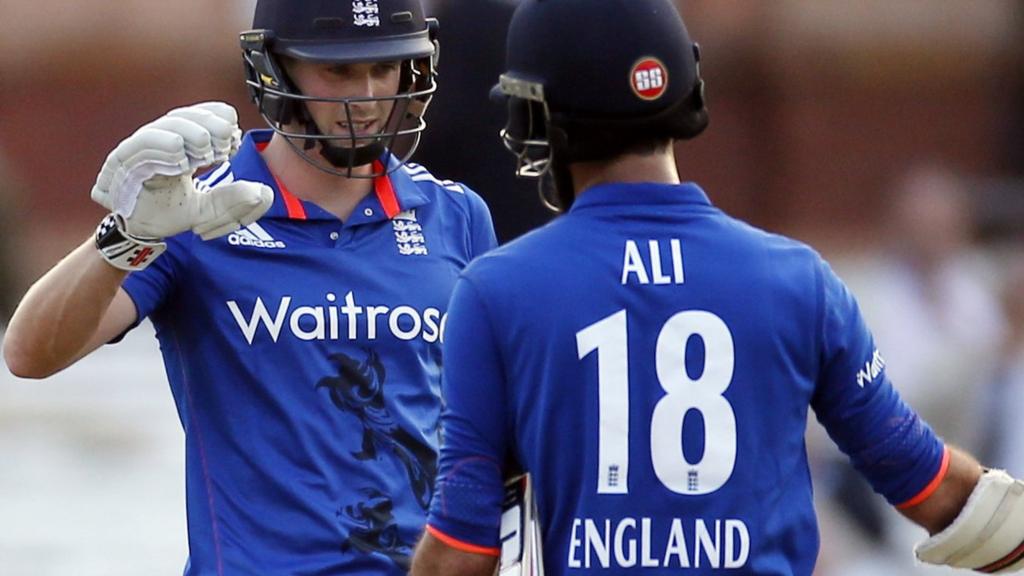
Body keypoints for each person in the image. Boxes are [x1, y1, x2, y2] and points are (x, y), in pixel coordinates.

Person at [409, 1, 1024, 575]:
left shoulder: (497, 291)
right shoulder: (798, 280)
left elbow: (463, 546)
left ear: (539, 114)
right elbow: (928, 484)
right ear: (685, 88)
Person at [3, 0, 496, 573]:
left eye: (384, 67)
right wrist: (127, 237)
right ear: (275, 68)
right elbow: (29, 354)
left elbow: (491, 430)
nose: (366, 96)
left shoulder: (457, 215)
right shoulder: (194, 211)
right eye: (337, 70)